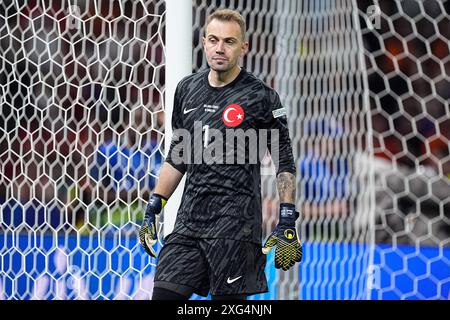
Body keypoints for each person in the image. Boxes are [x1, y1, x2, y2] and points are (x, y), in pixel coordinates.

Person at [139, 9, 302, 300]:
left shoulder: (262, 97)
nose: (220, 48)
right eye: (213, 40)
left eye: (229, 41)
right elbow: (179, 155)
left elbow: (284, 161)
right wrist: (155, 205)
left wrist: (287, 218)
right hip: (189, 224)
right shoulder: (187, 90)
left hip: (236, 230)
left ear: (243, 47)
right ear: (204, 41)